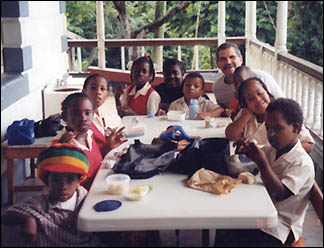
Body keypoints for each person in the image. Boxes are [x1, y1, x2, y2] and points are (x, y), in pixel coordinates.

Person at [215, 98, 315, 247]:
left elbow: (279, 194)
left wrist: (261, 162)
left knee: (234, 234)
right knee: (224, 226)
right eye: (268, 128)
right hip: (260, 212)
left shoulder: (302, 163)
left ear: (296, 128)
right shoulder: (272, 149)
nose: (271, 134)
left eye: (278, 128)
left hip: (279, 227)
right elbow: (254, 155)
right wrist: (246, 148)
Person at [1, 143, 102, 247]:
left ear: (79, 181)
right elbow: (7, 216)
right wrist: (28, 219)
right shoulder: (39, 204)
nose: (63, 186)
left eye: (70, 180)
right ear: (46, 181)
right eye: (56, 180)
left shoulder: (85, 197)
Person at [225, 77, 315, 153]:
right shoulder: (245, 114)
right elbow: (231, 135)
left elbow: (309, 143)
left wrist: (277, 153)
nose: (258, 99)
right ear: (245, 104)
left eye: (260, 93)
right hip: (250, 166)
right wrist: (246, 115)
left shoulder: (282, 111)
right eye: (250, 99)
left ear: (267, 92)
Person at [58, 93, 125, 190]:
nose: (83, 118)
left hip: (101, 188)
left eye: (87, 113)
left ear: (93, 114)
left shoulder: (89, 135)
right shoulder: (68, 147)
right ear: (65, 117)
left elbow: (93, 165)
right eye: (76, 113)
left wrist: (108, 147)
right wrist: (60, 151)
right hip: (86, 200)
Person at [213, 42, 285, 109]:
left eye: (232, 57)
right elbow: (224, 110)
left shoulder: (261, 77)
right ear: (218, 64)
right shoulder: (218, 87)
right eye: (223, 59)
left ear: (241, 59)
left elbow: (283, 103)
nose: (228, 62)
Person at [82, 73, 127, 156]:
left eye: (102, 89)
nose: (98, 92)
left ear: (106, 95)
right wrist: (109, 147)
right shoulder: (83, 120)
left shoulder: (96, 114)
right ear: (84, 91)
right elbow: (89, 154)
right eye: (93, 88)